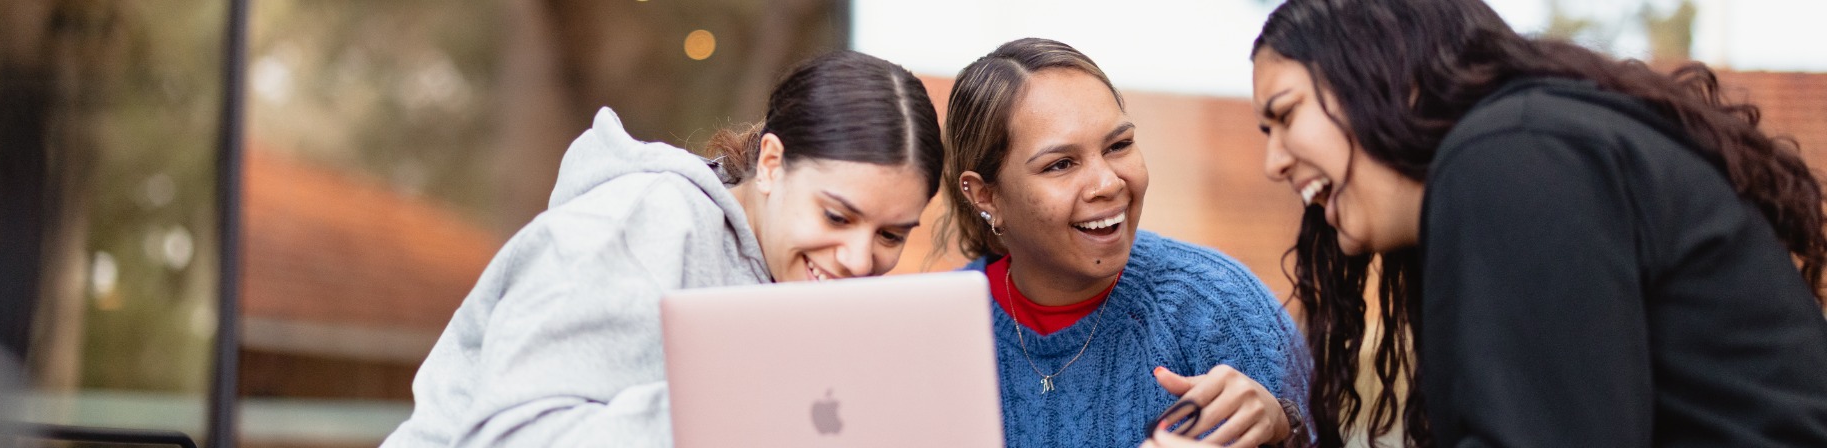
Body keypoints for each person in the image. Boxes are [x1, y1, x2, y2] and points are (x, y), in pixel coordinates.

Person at [1243, 0, 1827, 446]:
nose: (1274, 163)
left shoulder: (1511, 160)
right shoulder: (1524, 153)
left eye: (1286, 113)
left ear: (1381, 70)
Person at [382, 50, 945, 447]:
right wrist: (753, 406)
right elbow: (511, 439)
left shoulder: (790, 282)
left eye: (891, 234)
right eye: (836, 215)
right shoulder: (636, 225)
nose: (857, 258)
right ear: (771, 164)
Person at [939, 37, 1310, 448]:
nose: (1108, 183)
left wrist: (1285, 432)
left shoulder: (1218, 306)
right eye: (1060, 164)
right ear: (984, 194)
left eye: (1118, 146)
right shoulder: (937, 332)